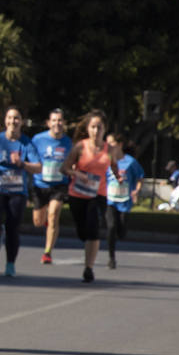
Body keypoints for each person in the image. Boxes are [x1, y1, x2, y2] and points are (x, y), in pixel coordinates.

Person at [60, 111, 121, 283]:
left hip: (98, 195)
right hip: (77, 195)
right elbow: (64, 169)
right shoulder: (80, 147)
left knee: (93, 229)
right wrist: (76, 174)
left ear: (104, 129)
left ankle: (89, 268)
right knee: (82, 231)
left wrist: (119, 176)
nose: (96, 131)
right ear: (88, 129)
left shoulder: (110, 150)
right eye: (93, 127)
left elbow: (114, 167)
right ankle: (85, 240)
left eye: (99, 127)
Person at [0, 105, 40, 277]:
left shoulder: (26, 143)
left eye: (16, 118)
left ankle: (10, 263)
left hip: (17, 191)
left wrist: (23, 164)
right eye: (10, 117)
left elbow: (38, 167)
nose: (13, 121)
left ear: (21, 122)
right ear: (5, 121)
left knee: (13, 227)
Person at [30, 108, 72, 264]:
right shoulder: (37, 139)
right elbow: (31, 157)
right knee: (38, 222)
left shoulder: (68, 142)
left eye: (60, 120)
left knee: (54, 214)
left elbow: (72, 161)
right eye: (54, 120)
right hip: (40, 184)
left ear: (64, 123)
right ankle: (47, 221)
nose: (57, 123)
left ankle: (47, 252)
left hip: (59, 185)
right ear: (48, 123)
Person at [104, 133, 144, 270]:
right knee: (110, 227)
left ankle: (121, 232)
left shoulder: (130, 162)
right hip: (110, 201)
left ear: (119, 145)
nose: (108, 146)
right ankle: (111, 258)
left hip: (125, 202)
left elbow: (140, 177)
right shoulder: (105, 161)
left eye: (111, 143)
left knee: (121, 231)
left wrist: (136, 190)